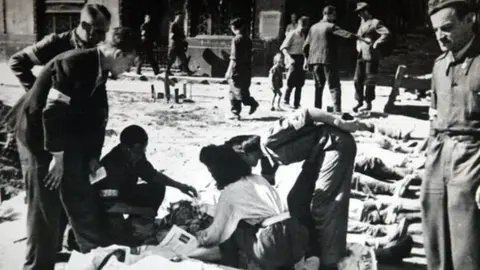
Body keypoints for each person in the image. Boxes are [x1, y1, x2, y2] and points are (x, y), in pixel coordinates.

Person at [6, 27, 137, 270]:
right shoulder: (75, 63)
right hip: (38, 137)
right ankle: (37, 265)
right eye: (130, 63)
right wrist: (57, 157)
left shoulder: (100, 69)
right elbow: (53, 111)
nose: (129, 70)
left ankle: (83, 253)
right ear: (119, 54)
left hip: (62, 138)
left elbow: (94, 119)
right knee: (45, 204)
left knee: (76, 191)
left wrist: (92, 158)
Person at [223, 108, 359, 270]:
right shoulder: (265, 159)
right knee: (296, 200)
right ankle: (314, 249)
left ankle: (331, 261)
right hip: (317, 153)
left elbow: (308, 113)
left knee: (323, 204)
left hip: (335, 144)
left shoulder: (269, 138)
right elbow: (265, 188)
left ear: (243, 152)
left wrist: (340, 122)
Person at [422, 1, 480, 269]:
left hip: (472, 154)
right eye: (435, 30)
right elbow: (434, 114)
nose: (440, 36)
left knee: (465, 228)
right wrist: (430, 152)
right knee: (432, 218)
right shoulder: (438, 65)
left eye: (447, 28)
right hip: (439, 152)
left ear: (470, 19)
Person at [196, 144, 319, 270]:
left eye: (211, 171)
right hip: (295, 235)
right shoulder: (258, 179)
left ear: (220, 171)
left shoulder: (229, 193)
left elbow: (216, 235)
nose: (212, 175)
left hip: (270, 243)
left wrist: (199, 237)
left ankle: (232, 265)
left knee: (230, 232)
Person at [95, 125, 197, 245]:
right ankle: (130, 232)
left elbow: (153, 175)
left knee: (157, 187)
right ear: (124, 147)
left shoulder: (135, 156)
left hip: (124, 194)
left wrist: (180, 186)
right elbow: (109, 205)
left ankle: (138, 227)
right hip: (104, 207)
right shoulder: (111, 166)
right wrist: (142, 210)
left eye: (143, 150)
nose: (141, 155)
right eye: (138, 151)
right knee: (117, 239)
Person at [9, 3, 111, 92]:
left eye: (105, 33)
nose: (103, 38)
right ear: (84, 25)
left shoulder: (98, 49)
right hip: (58, 111)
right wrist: (38, 93)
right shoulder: (56, 43)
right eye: (99, 32)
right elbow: (17, 62)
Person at [304, 6, 359, 112]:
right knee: (334, 86)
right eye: (334, 14)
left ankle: (317, 110)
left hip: (315, 61)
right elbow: (346, 34)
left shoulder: (313, 27)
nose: (335, 17)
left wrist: (307, 60)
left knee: (318, 87)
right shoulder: (331, 26)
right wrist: (361, 38)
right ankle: (337, 110)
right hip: (328, 60)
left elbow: (306, 46)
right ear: (328, 14)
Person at [353, 2, 391, 112]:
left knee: (369, 80)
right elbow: (358, 37)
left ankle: (368, 103)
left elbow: (386, 33)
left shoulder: (375, 22)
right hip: (361, 54)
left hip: (371, 55)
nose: (358, 15)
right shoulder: (361, 23)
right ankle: (359, 101)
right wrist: (358, 46)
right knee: (357, 79)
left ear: (365, 11)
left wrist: (377, 43)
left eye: (360, 13)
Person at [225, 18, 259, 120]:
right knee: (239, 91)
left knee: (236, 91)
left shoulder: (236, 39)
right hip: (246, 69)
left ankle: (242, 108)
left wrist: (228, 71)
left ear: (233, 27)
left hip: (237, 69)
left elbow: (233, 57)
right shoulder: (247, 39)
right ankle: (238, 111)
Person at [281, 16, 309, 109]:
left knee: (300, 83)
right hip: (292, 58)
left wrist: (305, 60)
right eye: (302, 26)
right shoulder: (292, 34)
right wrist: (289, 58)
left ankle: (297, 103)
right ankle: (285, 101)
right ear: (299, 24)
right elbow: (283, 48)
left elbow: (303, 50)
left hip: (301, 58)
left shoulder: (303, 35)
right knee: (291, 81)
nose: (303, 28)